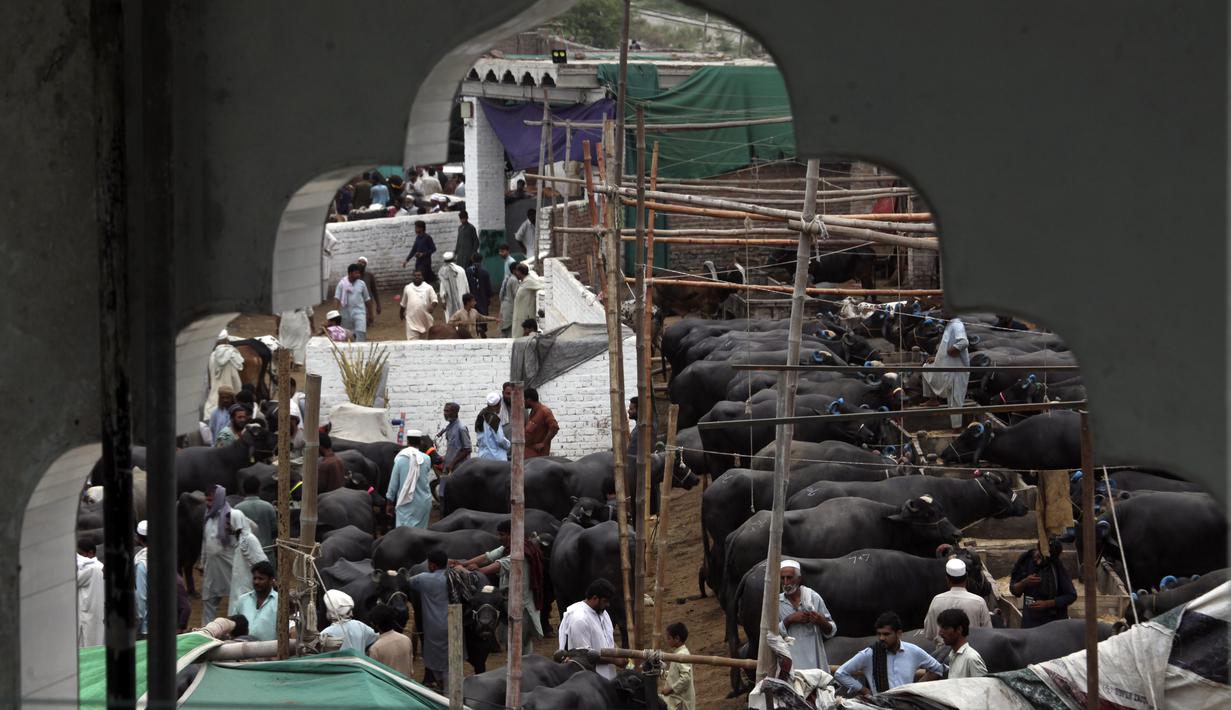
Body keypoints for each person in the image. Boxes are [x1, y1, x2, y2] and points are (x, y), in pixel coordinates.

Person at [458, 519, 546, 651]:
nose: (499, 538)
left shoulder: (519, 552)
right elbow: (487, 557)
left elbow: (494, 566)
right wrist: (463, 563)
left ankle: (521, 668)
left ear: (512, 534)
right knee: (515, 641)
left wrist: (471, 570)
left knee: (519, 641)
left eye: (502, 534)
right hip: (509, 601)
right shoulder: (509, 547)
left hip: (522, 605)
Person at [835, 611, 946, 696]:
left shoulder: (913, 651)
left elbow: (938, 669)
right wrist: (865, 691)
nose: (882, 638)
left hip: (906, 705)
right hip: (880, 705)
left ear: (898, 633)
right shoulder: (870, 654)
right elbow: (840, 673)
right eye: (879, 634)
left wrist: (914, 688)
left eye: (886, 634)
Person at [777, 559, 837, 671]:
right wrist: (789, 620)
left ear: (799, 579)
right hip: (790, 665)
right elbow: (770, 636)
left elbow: (832, 630)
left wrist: (820, 621)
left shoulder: (813, 598)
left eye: (789, 578)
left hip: (815, 663)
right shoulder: (776, 603)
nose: (785, 582)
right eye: (782, 578)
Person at [406, 550, 451, 688]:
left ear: (432, 566)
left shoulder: (423, 578)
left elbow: (404, 583)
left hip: (433, 626)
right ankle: (449, 686)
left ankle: (442, 686)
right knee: (450, 658)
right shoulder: (453, 577)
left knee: (434, 658)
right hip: (453, 623)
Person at [558, 578, 618, 680]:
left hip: (607, 677)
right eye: (605, 601)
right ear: (594, 598)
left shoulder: (603, 613)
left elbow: (609, 641)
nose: (608, 605)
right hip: (589, 681)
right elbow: (584, 657)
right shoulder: (579, 619)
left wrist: (620, 654)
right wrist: (614, 660)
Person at [923, 557, 992, 645]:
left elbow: (929, 634)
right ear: (966, 577)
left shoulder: (936, 601)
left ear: (947, 579)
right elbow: (988, 633)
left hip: (942, 656)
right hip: (971, 652)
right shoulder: (979, 602)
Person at [1010, 538, 1076, 627]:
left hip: (1053, 623)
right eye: (1039, 556)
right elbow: (1014, 590)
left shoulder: (1055, 566)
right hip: (1030, 622)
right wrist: (1024, 582)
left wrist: (1047, 603)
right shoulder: (1026, 560)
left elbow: (1071, 595)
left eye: (1043, 559)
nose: (1038, 561)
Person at [921, 315, 970, 429]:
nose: (942, 313)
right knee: (926, 367)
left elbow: (963, 342)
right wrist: (936, 358)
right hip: (944, 365)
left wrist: (953, 350)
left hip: (956, 370)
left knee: (955, 399)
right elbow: (944, 348)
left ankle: (956, 428)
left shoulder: (957, 324)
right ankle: (932, 399)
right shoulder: (950, 324)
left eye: (944, 311)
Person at [201, 485, 236, 623]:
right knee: (208, 599)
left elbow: (248, 532)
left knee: (237, 600)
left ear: (219, 499)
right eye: (207, 501)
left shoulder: (232, 516)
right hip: (212, 568)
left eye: (211, 501)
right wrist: (202, 562)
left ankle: (237, 633)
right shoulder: (208, 517)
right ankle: (206, 632)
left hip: (230, 567)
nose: (208, 504)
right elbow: (205, 542)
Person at [386, 430, 433, 528]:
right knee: (421, 533)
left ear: (407, 442)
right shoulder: (427, 459)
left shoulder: (399, 460)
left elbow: (393, 485)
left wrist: (389, 503)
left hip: (405, 502)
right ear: (420, 442)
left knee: (404, 534)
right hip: (423, 503)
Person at [227, 509, 269, 608]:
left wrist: (259, 581)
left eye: (229, 523)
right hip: (239, 585)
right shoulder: (239, 539)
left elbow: (262, 562)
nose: (226, 526)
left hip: (247, 585)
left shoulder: (249, 539)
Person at [230, 560, 279, 641]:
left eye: (261, 579)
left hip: (270, 651)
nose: (256, 582)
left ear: (271, 580)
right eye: (255, 578)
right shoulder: (242, 600)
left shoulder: (279, 601)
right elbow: (232, 625)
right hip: (241, 649)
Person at [321, 589, 379, 654]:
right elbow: (378, 638)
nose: (352, 614)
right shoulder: (360, 626)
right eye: (349, 611)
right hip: (359, 663)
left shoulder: (325, 634)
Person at [234, 477, 276, 565]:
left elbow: (235, 533)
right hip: (266, 553)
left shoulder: (238, 509)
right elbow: (274, 530)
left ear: (243, 490)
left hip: (246, 555)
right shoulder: (268, 507)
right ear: (259, 489)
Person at [936, 608, 987, 679]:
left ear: (959, 629)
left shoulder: (971, 658)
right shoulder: (952, 654)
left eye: (945, 628)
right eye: (941, 628)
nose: (940, 633)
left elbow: (983, 687)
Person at [368, 604, 414, 677]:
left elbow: (373, 676)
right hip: (406, 685)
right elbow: (411, 670)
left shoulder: (375, 648)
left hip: (388, 687)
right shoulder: (406, 640)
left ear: (375, 624)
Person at [659, 622, 695, 710]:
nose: (667, 641)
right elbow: (675, 675)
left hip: (680, 701)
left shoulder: (682, 655)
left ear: (677, 638)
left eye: (669, 638)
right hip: (677, 699)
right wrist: (661, 673)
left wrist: (670, 689)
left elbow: (686, 678)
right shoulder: (679, 653)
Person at [76, 537, 105, 647]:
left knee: (86, 645)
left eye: (80, 553)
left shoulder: (89, 569)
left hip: (86, 615)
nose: (78, 557)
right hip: (97, 615)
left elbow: (73, 582)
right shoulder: (100, 567)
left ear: (90, 553)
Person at [335, 263, 374, 342]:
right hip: (345, 314)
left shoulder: (361, 284)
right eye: (356, 273)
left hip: (360, 313)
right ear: (350, 273)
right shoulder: (341, 284)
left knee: (361, 333)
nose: (358, 275)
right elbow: (337, 299)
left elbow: (367, 299)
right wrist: (335, 314)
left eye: (358, 273)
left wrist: (371, 314)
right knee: (347, 337)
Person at [399, 269, 439, 340]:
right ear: (412, 277)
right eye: (415, 275)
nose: (417, 277)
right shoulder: (408, 288)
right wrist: (401, 313)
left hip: (425, 321)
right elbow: (403, 304)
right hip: (411, 320)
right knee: (412, 343)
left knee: (425, 343)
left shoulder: (428, 287)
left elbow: (435, 300)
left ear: (422, 277)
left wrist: (432, 306)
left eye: (419, 275)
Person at [474, 392, 511, 460]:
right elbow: (500, 440)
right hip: (496, 458)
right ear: (498, 404)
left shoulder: (480, 416)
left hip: (482, 456)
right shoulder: (493, 419)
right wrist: (508, 444)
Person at [523, 388, 559, 458]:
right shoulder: (533, 412)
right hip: (529, 456)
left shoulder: (544, 411)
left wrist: (543, 443)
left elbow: (554, 427)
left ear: (529, 400)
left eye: (524, 400)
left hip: (538, 458)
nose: (523, 402)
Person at [510, 262, 544, 333]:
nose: (515, 273)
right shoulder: (524, 281)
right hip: (519, 314)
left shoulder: (529, 281)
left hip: (524, 316)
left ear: (520, 272)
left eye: (517, 271)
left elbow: (541, 285)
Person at [438, 251, 470, 321]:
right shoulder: (461, 269)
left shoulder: (443, 271)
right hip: (462, 298)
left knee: (451, 318)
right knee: (462, 317)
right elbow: (466, 285)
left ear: (444, 261)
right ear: (454, 260)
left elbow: (443, 288)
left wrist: (443, 300)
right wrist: (468, 299)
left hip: (450, 300)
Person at [440, 402, 472, 471]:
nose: (445, 413)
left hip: (460, 468)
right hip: (450, 468)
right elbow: (453, 449)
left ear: (455, 412)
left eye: (447, 411)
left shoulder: (461, 428)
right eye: (444, 411)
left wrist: (453, 463)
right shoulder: (449, 427)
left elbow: (467, 449)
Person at [134, 521, 150, 637]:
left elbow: (141, 596)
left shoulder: (141, 564)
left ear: (139, 539)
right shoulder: (164, 555)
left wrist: (139, 620)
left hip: (147, 627)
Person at [465, 253, 494, 318]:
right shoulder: (485, 272)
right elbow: (489, 289)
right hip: (483, 300)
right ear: (481, 260)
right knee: (483, 319)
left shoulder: (467, 272)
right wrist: (488, 298)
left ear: (472, 259)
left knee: (472, 319)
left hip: (471, 300)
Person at [356, 257, 381, 325]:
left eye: (363, 262)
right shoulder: (353, 276)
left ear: (366, 265)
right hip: (356, 302)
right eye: (359, 262)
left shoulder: (369, 276)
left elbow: (374, 291)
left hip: (368, 302)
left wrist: (378, 305)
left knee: (368, 321)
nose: (360, 264)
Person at [498, 263, 521, 338]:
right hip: (510, 308)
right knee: (509, 331)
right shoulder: (514, 280)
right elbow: (517, 296)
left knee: (504, 329)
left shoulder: (508, 278)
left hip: (504, 307)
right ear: (514, 270)